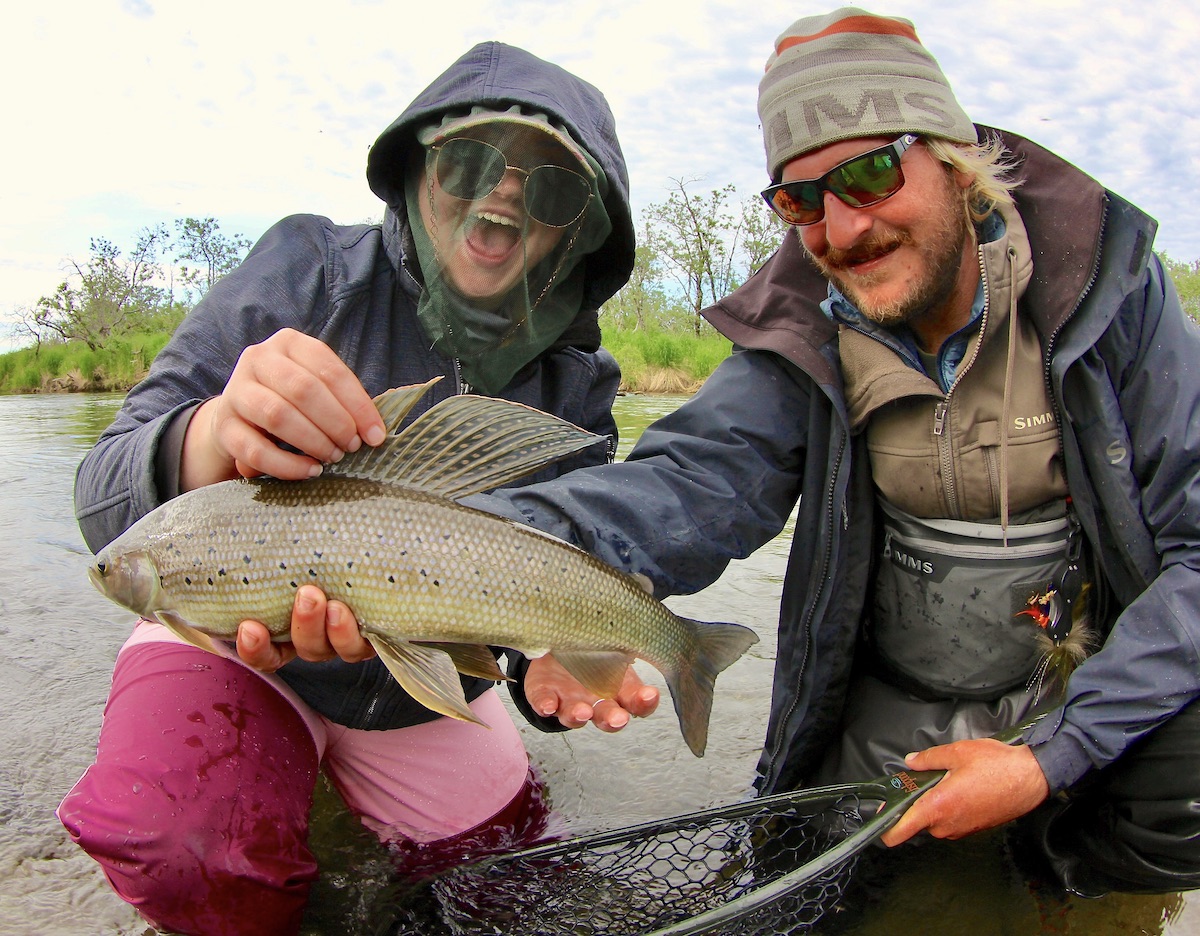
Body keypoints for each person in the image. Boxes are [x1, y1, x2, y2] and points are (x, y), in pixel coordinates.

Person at [255, 7, 1200, 899]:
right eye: (801, 199)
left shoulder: (1108, 294)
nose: (844, 227)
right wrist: (424, 557)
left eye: (873, 174)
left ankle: (1065, 880)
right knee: (822, 876)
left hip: (1077, 682)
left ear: (953, 161)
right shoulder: (805, 331)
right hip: (894, 690)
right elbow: (683, 489)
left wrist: (1048, 758)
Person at [58, 41, 653, 936]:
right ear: (418, 168)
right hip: (231, 619)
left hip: (420, 692)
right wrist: (215, 431)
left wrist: (554, 669)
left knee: (509, 890)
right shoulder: (304, 269)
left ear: (579, 227)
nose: (502, 194)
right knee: (182, 851)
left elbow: (538, 621)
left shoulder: (580, 386)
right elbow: (102, 496)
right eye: (470, 161)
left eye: (552, 188)